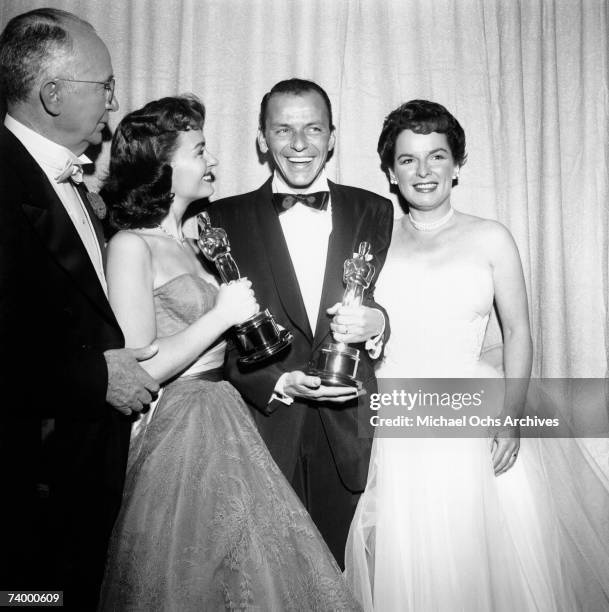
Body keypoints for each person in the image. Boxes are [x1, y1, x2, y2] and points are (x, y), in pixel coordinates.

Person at [97, 94, 360, 611]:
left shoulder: (197, 241)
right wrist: (222, 314)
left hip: (226, 413)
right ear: (161, 165)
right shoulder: (132, 245)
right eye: (199, 151)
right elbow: (138, 367)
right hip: (179, 427)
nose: (212, 160)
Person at [345, 99, 609, 610]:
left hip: (473, 418)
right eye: (407, 160)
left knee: (478, 561)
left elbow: (518, 331)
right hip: (396, 422)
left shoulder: (491, 237)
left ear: (457, 165)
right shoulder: (373, 242)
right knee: (408, 562)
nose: (424, 172)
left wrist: (510, 418)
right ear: (390, 173)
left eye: (437, 156)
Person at [0, 9, 159, 608]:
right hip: (24, 489)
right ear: (52, 92)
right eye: (106, 87)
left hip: (76, 480)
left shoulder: (67, 183)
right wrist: (97, 376)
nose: (113, 104)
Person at [206, 78, 394, 568]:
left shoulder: (374, 209)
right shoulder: (219, 220)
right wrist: (277, 381)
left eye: (313, 128)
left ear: (332, 136)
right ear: (263, 139)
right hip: (266, 427)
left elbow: (383, 298)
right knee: (267, 579)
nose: (299, 144)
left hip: (348, 429)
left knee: (340, 575)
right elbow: (217, 333)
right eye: (283, 129)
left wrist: (377, 324)